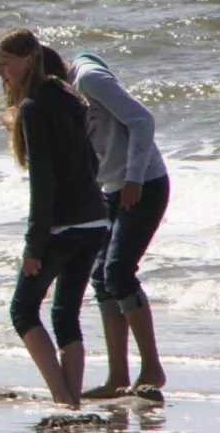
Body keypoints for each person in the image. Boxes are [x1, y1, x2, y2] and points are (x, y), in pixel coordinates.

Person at [0, 28, 108, 409]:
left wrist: (33, 246)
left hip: (62, 227)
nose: (0, 74)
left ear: (26, 60)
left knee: (23, 310)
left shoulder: (34, 107)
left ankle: (62, 397)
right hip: (94, 220)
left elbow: (43, 185)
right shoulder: (68, 95)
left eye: (4, 64)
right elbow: (91, 162)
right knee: (64, 314)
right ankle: (71, 402)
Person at [50, 48, 172, 398]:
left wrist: (134, 177)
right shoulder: (63, 96)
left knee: (119, 272)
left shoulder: (88, 79)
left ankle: (152, 368)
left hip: (144, 184)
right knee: (101, 277)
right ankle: (117, 376)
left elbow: (142, 119)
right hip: (111, 188)